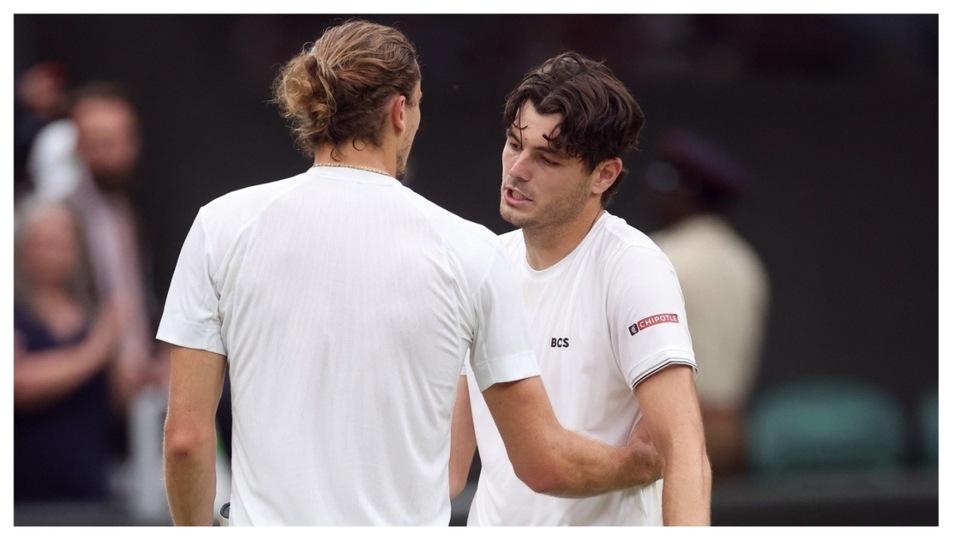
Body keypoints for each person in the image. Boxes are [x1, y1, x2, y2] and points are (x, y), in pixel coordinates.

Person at [158, 19, 661, 527]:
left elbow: (185, 441)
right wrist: (639, 462)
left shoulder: (220, 227)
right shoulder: (471, 252)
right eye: (418, 104)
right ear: (400, 111)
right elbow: (542, 460)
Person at [451, 52, 712, 526]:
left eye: (547, 158)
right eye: (514, 144)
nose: (517, 170)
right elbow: (447, 468)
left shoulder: (633, 267)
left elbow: (685, 450)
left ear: (604, 175)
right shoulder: (483, 263)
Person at [646, 127, 770, 477]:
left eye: (664, 181)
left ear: (689, 191)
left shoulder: (660, 257)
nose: (655, 193)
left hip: (675, 426)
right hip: (730, 427)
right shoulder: (743, 261)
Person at [13, 199, 122, 502]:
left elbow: (118, 397)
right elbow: (18, 384)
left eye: (63, 243)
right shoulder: (14, 312)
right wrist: (97, 349)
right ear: (23, 248)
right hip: (24, 489)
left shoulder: (92, 316)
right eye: (45, 243)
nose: (55, 254)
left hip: (89, 481)